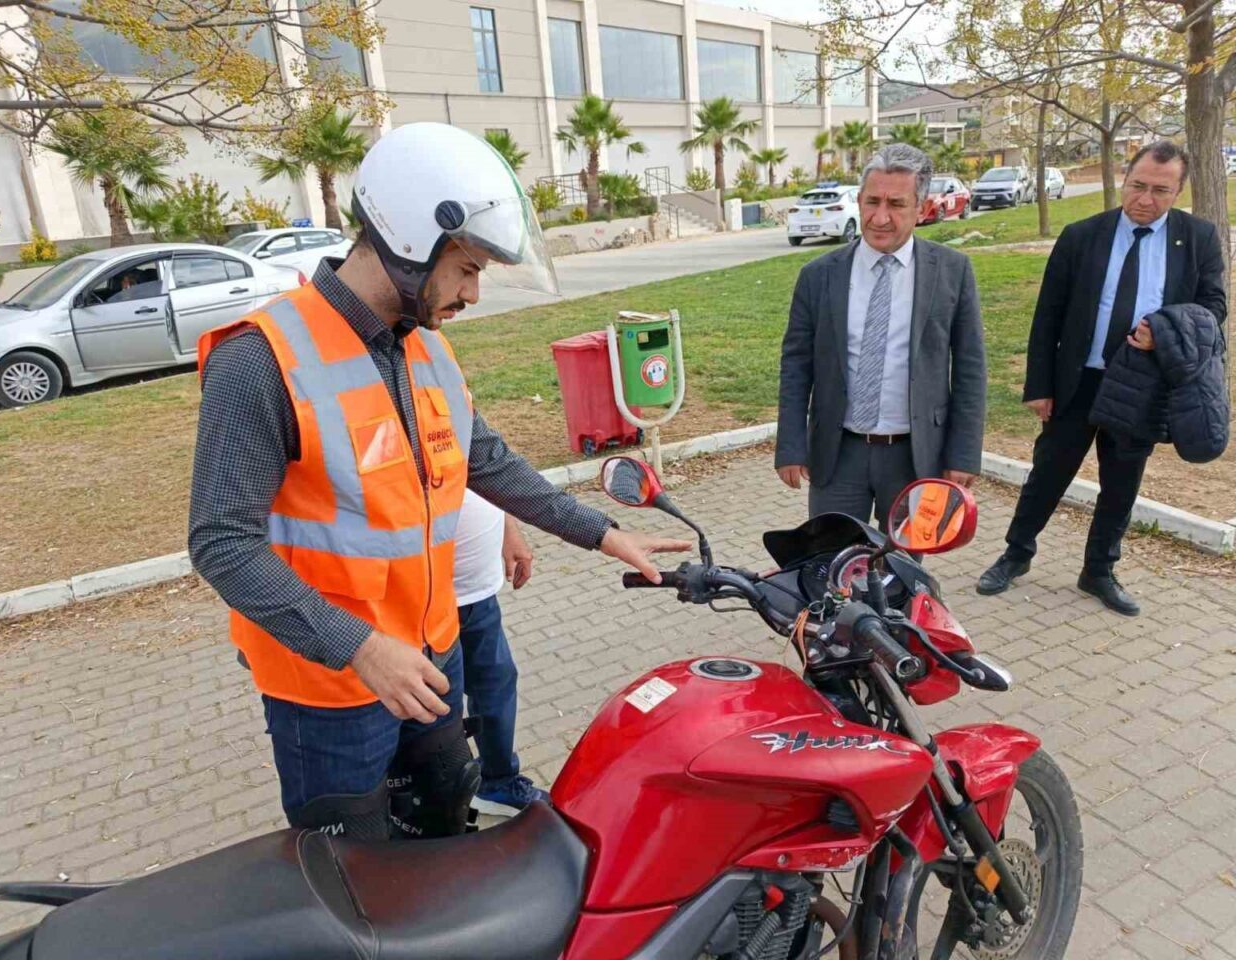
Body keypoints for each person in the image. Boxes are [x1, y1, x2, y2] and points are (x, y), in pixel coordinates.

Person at [188, 122, 689, 840]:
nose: (474, 293)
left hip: (427, 656)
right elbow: (220, 543)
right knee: (356, 883)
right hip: (330, 686)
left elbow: (487, 461)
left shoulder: (426, 347)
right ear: (410, 241)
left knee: (446, 826)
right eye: (467, 268)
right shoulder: (259, 360)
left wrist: (603, 533)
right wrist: (359, 647)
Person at [976, 141, 1226, 615]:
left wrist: (1166, 333)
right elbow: (1048, 314)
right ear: (1125, 177)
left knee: (1121, 482)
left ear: (1178, 190)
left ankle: (1098, 570)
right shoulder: (1082, 235)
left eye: (1160, 190)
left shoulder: (1197, 238)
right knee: (1049, 472)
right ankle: (1016, 554)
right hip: (1079, 380)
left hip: (1143, 386)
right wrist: (1039, 386)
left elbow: (1214, 309)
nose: (1145, 200)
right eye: (1137, 186)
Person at [775, 143, 987, 525]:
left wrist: (963, 454)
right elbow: (796, 364)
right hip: (838, 455)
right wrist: (790, 444)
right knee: (831, 566)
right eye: (872, 201)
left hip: (916, 455)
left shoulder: (952, 271)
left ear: (921, 209)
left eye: (896, 204)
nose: (880, 217)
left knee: (903, 570)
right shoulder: (819, 276)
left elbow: (971, 368)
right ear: (858, 200)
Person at [453, 489, 543, 815]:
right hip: (420, 604)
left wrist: (510, 528)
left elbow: (483, 470)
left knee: (495, 684)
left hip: (476, 593)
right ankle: (434, 807)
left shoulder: (469, 435)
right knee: (431, 710)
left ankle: (498, 782)